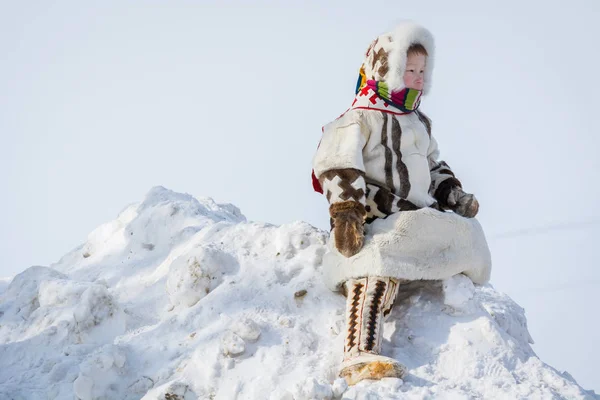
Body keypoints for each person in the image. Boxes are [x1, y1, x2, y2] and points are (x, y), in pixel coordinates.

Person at [311, 21, 488, 385]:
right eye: (409, 71)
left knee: (470, 234)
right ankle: (359, 351)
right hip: (379, 217)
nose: (419, 79)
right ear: (385, 69)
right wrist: (347, 214)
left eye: (423, 71)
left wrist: (452, 194)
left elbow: (432, 165)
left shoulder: (419, 122)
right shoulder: (358, 119)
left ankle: (459, 306)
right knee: (375, 263)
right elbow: (338, 165)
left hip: (421, 217)